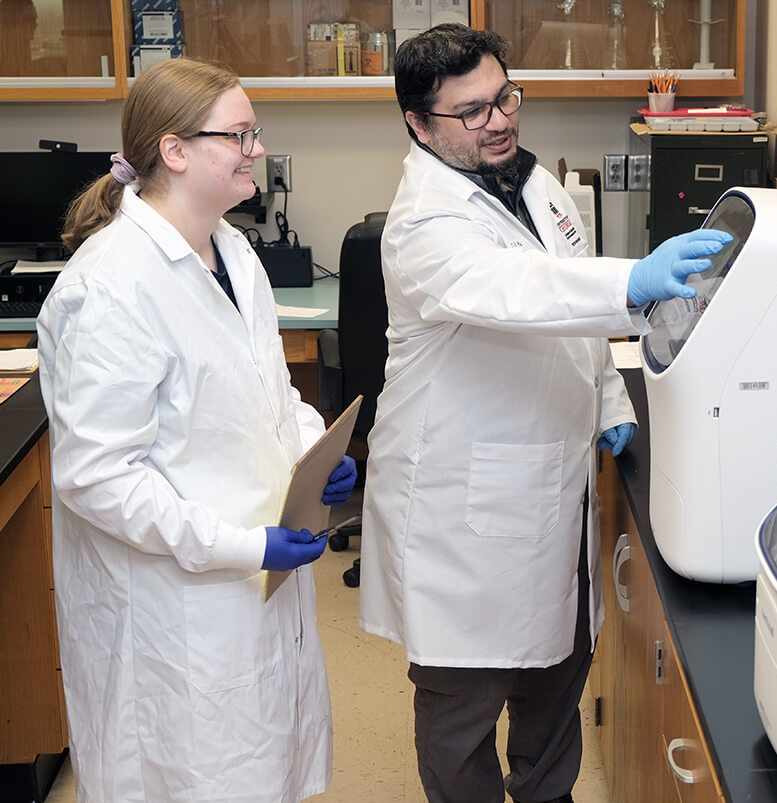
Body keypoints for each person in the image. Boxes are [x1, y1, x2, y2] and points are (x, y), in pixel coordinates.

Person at [358, 23, 732, 803]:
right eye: (471, 112)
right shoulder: (424, 224)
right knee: (463, 708)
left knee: (557, 677)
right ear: (419, 125)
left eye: (504, 98)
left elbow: (569, 308)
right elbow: (519, 293)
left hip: (553, 477)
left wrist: (605, 395)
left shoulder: (533, 183)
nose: (498, 120)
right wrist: (633, 281)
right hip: (464, 506)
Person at [36, 57, 356, 802]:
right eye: (239, 135)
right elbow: (97, 479)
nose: (257, 149)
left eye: (256, 132)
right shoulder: (110, 287)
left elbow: (269, 390)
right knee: (192, 777)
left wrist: (313, 447)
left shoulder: (233, 252)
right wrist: (243, 544)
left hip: (253, 584)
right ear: (174, 152)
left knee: (259, 767)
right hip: (174, 605)